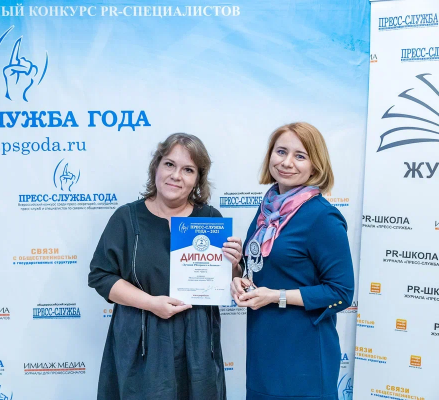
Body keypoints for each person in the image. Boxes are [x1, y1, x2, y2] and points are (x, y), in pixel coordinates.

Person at [88, 133, 242, 400]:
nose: (176, 176)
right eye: (169, 164)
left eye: (188, 170)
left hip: (197, 341)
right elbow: (101, 276)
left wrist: (234, 265)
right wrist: (150, 303)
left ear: (198, 179)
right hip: (141, 338)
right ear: (156, 167)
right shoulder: (127, 218)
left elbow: (229, 281)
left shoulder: (210, 219)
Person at [231, 122, 354, 400]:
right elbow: (263, 271)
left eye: (300, 156)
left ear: (315, 165)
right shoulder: (268, 210)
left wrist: (277, 296)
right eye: (281, 151)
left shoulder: (322, 217)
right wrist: (237, 275)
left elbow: (341, 292)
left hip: (303, 359)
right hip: (263, 351)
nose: (287, 162)